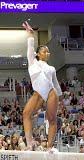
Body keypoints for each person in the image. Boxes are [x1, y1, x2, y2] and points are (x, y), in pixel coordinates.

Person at [22, 21, 62, 152]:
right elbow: (30, 49)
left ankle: (50, 147)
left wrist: (59, 98)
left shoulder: (52, 68)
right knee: (26, 114)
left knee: (52, 120)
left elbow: (55, 84)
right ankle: (29, 143)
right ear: (38, 54)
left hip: (51, 93)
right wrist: (30, 35)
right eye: (45, 51)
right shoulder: (33, 62)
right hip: (38, 94)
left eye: (48, 52)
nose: (47, 53)